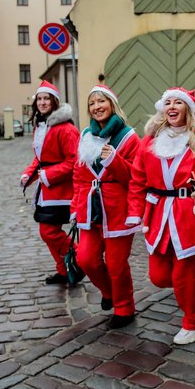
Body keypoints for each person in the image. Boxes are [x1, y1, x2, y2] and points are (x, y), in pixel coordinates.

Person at [126, 87, 195, 345]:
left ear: (187, 109)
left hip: (188, 214)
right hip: (158, 214)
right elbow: (137, 180)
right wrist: (135, 212)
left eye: (178, 102)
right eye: (167, 102)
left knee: (182, 278)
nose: (172, 106)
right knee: (159, 277)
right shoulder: (149, 142)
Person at [71, 85, 140, 329]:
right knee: (86, 258)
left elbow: (136, 177)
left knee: (116, 263)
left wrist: (114, 161)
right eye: (92, 103)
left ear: (112, 104)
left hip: (118, 209)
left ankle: (124, 307)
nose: (97, 107)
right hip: (90, 208)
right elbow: (79, 175)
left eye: (101, 101)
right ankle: (109, 292)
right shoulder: (85, 136)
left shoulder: (129, 137)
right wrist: (75, 206)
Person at [20, 81, 80, 284]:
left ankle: (80, 258)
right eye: (40, 98)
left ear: (54, 101)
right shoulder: (41, 125)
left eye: (46, 98)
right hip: (47, 190)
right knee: (47, 233)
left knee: (49, 231)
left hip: (63, 189)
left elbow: (74, 161)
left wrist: (48, 175)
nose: (43, 102)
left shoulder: (66, 129)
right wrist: (29, 174)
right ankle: (64, 271)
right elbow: (40, 158)